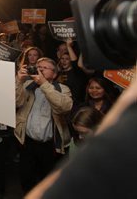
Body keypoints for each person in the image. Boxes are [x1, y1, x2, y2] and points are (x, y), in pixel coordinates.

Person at [25, 75, 137, 199]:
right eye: (91, 87)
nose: (81, 136)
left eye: (84, 133)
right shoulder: (76, 142)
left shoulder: (114, 149)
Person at [15, 57, 73, 194]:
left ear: (54, 74)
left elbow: (64, 107)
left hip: (50, 146)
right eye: (38, 66)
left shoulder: (63, 89)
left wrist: (43, 84)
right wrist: (19, 81)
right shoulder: (27, 85)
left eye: (44, 68)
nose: (39, 69)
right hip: (26, 142)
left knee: (47, 181)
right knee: (26, 179)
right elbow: (16, 102)